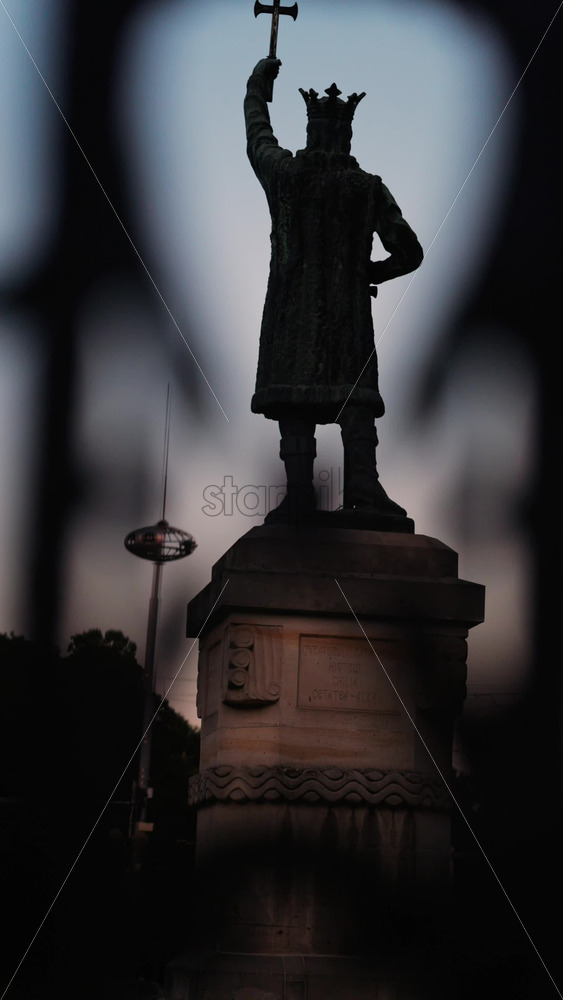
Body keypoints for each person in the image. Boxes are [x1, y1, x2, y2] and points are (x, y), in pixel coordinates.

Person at [244, 57, 423, 525]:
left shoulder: (286, 175)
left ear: (309, 132)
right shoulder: (366, 187)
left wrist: (256, 89)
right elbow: (410, 252)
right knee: (354, 401)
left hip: (291, 320)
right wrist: (371, 274)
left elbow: (258, 138)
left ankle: (300, 493)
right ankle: (363, 487)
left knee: (295, 401)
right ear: (346, 136)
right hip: (348, 319)